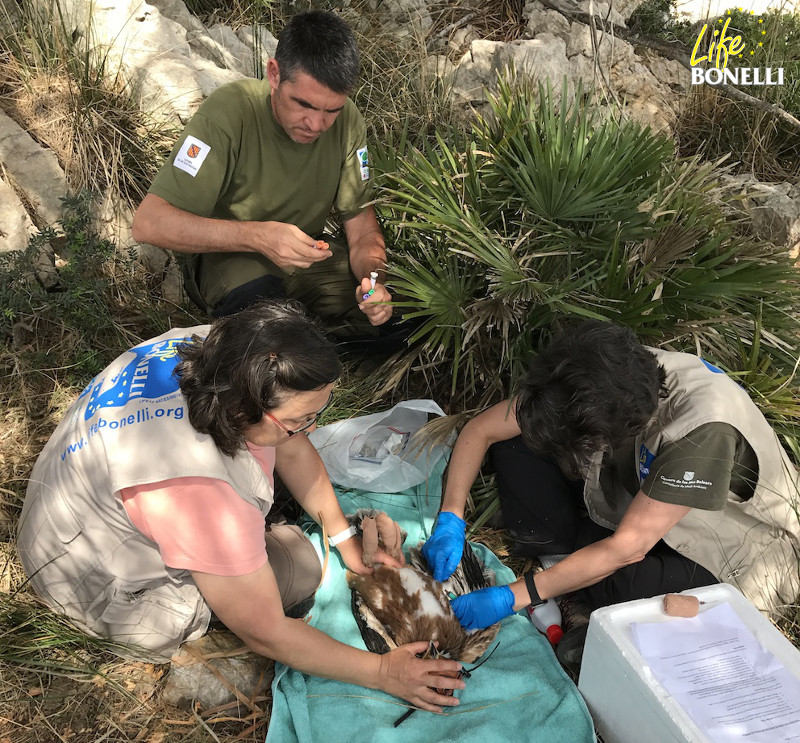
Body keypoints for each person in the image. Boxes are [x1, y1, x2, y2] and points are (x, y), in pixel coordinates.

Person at [17, 301, 464, 713]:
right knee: (299, 569)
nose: (309, 428)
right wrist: (383, 673)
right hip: (91, 585)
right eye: (298, 420)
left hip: (60, 516)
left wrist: (345, 539)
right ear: (239, 412)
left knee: (282, 520)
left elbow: (291, 446)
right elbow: (264, 629)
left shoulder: (224, 349)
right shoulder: (198, 488)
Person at [422, 320, 799, 661]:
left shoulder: (701, 428)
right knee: (519, 443)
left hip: (728, 546)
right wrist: (450, 518)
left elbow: (627, 548)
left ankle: (580, 586)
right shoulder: (589, 374)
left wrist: (514, 596)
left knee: (624, 581)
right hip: (634, 502)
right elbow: (482, 431)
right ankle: (569, 569)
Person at [131, 10, 396, 346]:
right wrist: (260, 237)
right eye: (303, 104)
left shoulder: (349, 123)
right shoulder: (228, 113)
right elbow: (149, 222)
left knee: (405, 314)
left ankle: (310, 340)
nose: (316, 124)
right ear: (274, 74)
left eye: (331, 110)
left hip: (308, 257)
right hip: (231, 263)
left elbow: (362, 229)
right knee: (267, 335)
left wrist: (373, 283)